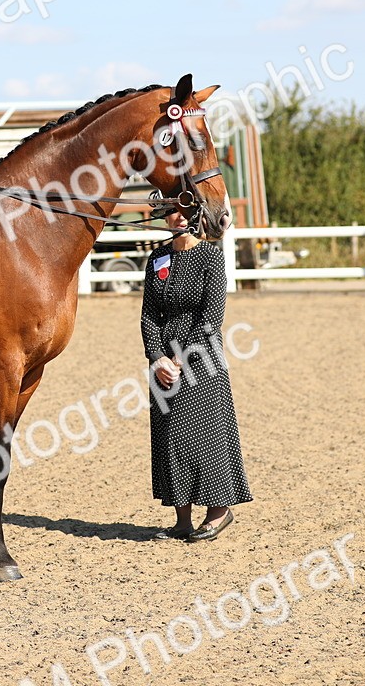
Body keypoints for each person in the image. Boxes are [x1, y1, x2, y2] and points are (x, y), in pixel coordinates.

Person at [141, 207, 253, 542]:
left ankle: (219, 511)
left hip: (202, 357)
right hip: (164, 360)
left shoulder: (211, 257)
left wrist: (179, 358)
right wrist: (157, 357)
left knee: (203, 435)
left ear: (197, 217)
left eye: (185, 212)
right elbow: (149, 314)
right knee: (169, 437)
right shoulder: (157, 258)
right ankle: (182, 521)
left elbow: (211, 318)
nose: (179, 217)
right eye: (172, 212)